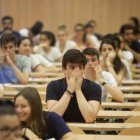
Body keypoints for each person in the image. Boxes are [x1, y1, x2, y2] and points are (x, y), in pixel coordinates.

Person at [46, 49, 102, 123]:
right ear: (64, 69)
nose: (76, 71)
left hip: (86, 132)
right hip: (58, 133)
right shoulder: (53, 86)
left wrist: (78, 90)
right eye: (72, 67)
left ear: (84, 70)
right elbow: (52, 117)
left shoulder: (95, 88)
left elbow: (90, 118)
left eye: (80, 68)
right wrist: (69, 91)